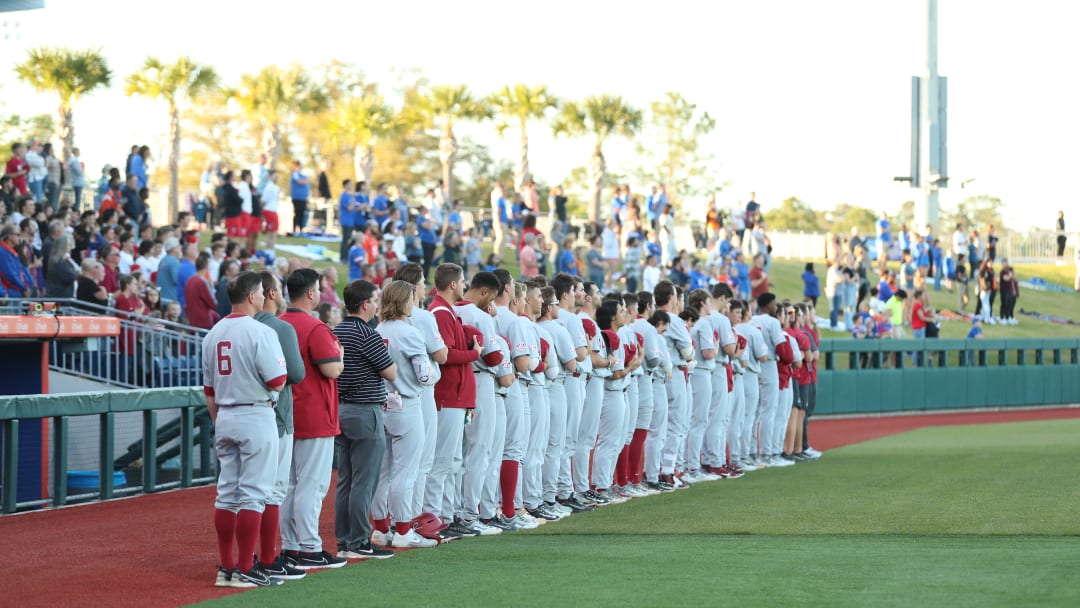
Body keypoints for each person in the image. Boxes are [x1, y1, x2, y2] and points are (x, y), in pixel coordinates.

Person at [202, 271, 288, 588]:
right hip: (255, 413)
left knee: (226, 494)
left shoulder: (213, 333)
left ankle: (226, 567)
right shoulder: (260, 331)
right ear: (253, 296)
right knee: (253, 495)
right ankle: (244, 568)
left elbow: (208, 390)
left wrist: (220, 420)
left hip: (224, 413)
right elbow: (278, 380)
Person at [280, 268, 347, 570]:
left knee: (289, 485)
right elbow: (332, 369)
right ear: (310, 293)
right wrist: (341, 356)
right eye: (318, 289)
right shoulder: (315, 326)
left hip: (284, 413)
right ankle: (308, 547)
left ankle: (292, 546)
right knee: (311, 485)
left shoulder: (277, 324)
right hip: (314, 413)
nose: (320, 293)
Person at [331, 279, 400, 559]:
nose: (377, 305)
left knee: (346, 479)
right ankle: (359, 541)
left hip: (341, 408)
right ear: (364, 304)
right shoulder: (366, 333)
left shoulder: (336, 331)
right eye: (374, 300)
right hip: (364, 409)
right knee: (364, 480)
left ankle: (345, 540)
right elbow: (391, 371)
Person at [251, 271, 308, 582]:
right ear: (268, 293)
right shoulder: (278, 327)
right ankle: (269, 558)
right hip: (274, 415)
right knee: (271, 491)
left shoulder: (226, 328)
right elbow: (296, 374)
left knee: (237, 494)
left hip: (234, 417)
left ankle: (239, 562)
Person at [289, 161, 310, 235]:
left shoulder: (301, 175)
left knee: (302, 214)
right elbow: (300, 182)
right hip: (297, 198)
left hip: (303, 198)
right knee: (297, 213)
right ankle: (295, 230)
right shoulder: (295, 174)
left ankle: (301, 230)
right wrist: (305, 180)